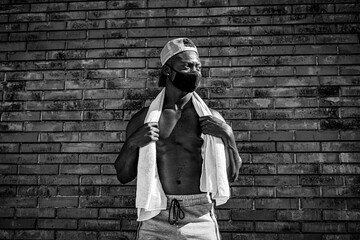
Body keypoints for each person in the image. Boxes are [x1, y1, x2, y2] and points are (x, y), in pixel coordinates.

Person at [114, 38, 242, 240]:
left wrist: (228, 135)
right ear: (167, 70)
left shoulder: (211, 119)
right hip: (155, 214)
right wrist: (132, 144)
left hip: (200, 216)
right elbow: (123, 175)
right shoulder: (144, 119)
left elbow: (232, 176)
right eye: (187, 66)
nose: (195, 72)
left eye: (198, 66)